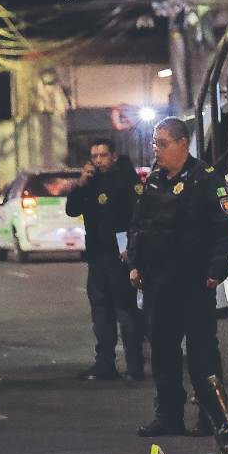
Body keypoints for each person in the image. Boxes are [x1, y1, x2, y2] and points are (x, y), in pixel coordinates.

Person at [128, 117, 228, 438]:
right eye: (154, 144)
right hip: (159, 282)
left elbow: (224, 229)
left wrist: (217, 271)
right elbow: (138, 225)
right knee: (162, 351)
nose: (156, 150)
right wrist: (134, 263)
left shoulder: (206, 179)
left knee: (202, 354)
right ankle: (169, 415)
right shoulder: (154, 181)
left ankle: (213, 417)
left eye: (162, 144)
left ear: (182, 144)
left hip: (194, 281)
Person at [66, 138, 145, 382]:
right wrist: (80, 184)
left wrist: (131, 252)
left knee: (126, 312)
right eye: (94, 156)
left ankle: (135, 367)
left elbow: (138, 217)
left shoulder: (127, 180)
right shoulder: (90, 182)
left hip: (119, 257)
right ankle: (105, 365)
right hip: (97, 257)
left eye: (103, 155)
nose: (98, 160)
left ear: (113, 156)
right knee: (101, 312)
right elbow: (72, 210)